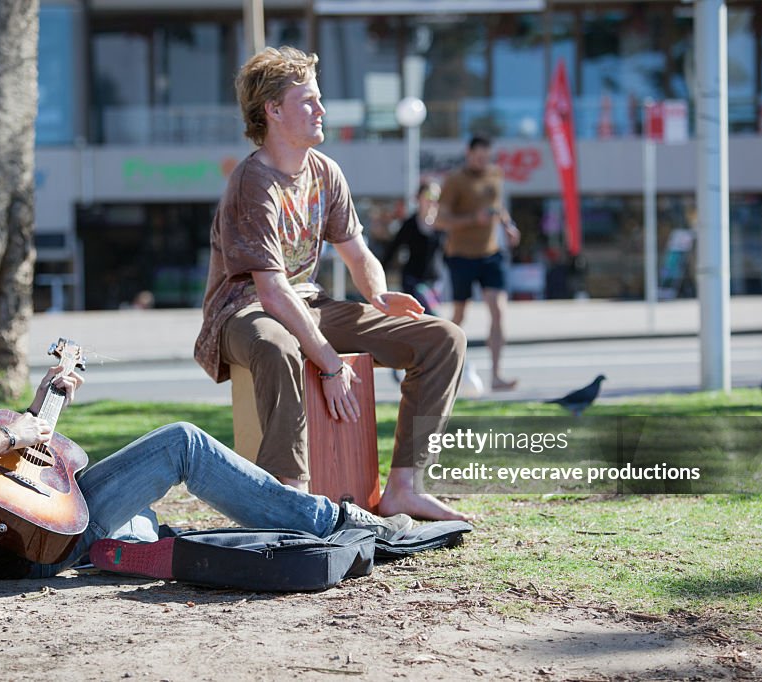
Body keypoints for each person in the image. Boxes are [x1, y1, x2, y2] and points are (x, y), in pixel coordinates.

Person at [0, 250, 415, 580]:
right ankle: (331, 521)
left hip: (25, 541)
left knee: (149, 524)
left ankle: (148, 544)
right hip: (29, 547)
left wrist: (36, 413)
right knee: (183, 443)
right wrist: (12, 431)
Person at [194, 46, 468, 522]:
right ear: (273, 110)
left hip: (309, 302)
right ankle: (288, 491)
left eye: (319, 99)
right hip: (242, 311)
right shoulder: (251, 184)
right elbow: (271, 291)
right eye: (308, 101)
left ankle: (404, 485)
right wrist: (329, 363)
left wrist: (377, 295)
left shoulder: (326, 172)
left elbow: (358, 252)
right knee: (278, 344)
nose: (321, 110)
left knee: (443, 339)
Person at [435, 136, 521, 392]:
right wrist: (474, 218)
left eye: (487, 156)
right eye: (478, 156)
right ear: (468, 153)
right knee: (460, 315)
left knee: (498, 310)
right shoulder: (455, 180)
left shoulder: (495, 174)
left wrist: (508, 225)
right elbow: (440, 220)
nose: (483, 161)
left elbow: (497, 206)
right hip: (461, 255)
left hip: (491, 254)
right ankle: (441, 366)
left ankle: (496, 375)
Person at [380, 181, 444, 317]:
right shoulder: (410, 224)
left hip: (434, 280)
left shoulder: (441, 224)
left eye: (436, 197)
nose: (432, 200)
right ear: (419, 198)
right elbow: (393, 248)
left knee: (430, 319)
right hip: (413, 278)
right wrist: (380, 272)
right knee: (426, 313)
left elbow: (448, 251)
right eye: (428, 195)